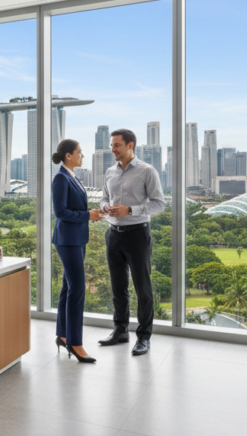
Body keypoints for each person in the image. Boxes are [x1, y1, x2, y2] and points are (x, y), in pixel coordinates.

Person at [98, 128, 167, 356]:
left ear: (130, 146)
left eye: (116, 145)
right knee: (118, 287)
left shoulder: (147, 171)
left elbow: (159, 203)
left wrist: (130, 209)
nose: (112, 149)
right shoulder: (109, 172)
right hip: (113, 234)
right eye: (111, 145)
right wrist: (106, 208)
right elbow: (104, 198)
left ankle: (144, 338)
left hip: (137, 234)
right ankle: (120, 330)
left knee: (143, 288)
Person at [51, 139, 104, 363]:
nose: (83, 156)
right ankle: (75, 343)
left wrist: (92, 213)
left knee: (68, 287)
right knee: (78, 289)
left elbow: (76, 207)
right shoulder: (60, 178)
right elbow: (60, 212)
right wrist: (87, 216)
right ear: (68, 156)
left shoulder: (73, 177)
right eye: (79, 153)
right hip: (68, 240)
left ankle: (63, 336)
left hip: (77, 239)